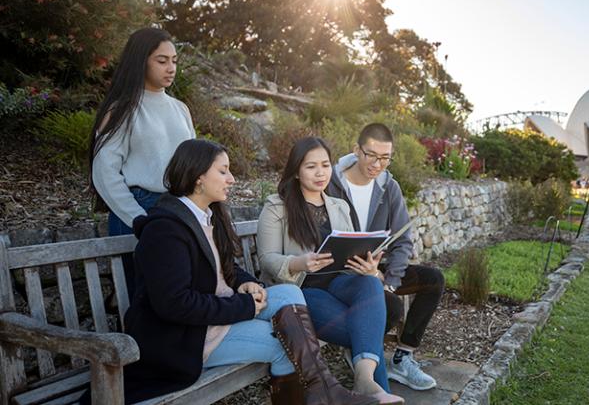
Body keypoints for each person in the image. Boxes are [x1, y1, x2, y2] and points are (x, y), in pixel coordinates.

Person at [81, 139, 375, 405]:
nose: (232, 179)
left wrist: (247, 284)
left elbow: (226, 268)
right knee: (285, 343)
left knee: (288, 292)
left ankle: (324, 392)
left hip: (217, 315)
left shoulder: (208, 216)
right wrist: (243, 306)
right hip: (188, 337)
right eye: (223, 171)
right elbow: (174, 304)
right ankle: (325, 392)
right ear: (198, 178)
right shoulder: (165, 230)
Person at [257, 137, 404, 404]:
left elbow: (349, 249)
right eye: (311, 166)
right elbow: (266, 259)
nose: (320, 173)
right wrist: (300, 262)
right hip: (300, 291)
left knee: (371, 285)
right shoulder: (276, 208)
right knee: (367, 329)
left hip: (339, 282)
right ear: (296, 171)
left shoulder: (339, 206)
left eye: (325, 165)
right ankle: (372, 387)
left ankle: (364, 381)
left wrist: (367, 266)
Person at [325, 123, 444, 391]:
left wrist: (387, 281)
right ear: (357, 150)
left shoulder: (389, 187)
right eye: (372, 155)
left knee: (433, 279)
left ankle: (402, 357)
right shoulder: (331, 184)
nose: (378, 164)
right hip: (342, 274)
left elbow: (403, 240)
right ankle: (361, 351)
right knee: (391, 307)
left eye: (386, 158)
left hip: (377, 270)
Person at [89, 27, 195, 299]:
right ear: (141, 60)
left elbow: (195, 164)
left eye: (174, 61)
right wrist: (138, 218)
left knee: (179, 296)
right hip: (140, 209)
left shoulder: (180, 109)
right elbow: (104, 172)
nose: (170, 68)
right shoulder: (122, 109)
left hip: (179, 208)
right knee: (142, 298)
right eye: (162, 61)